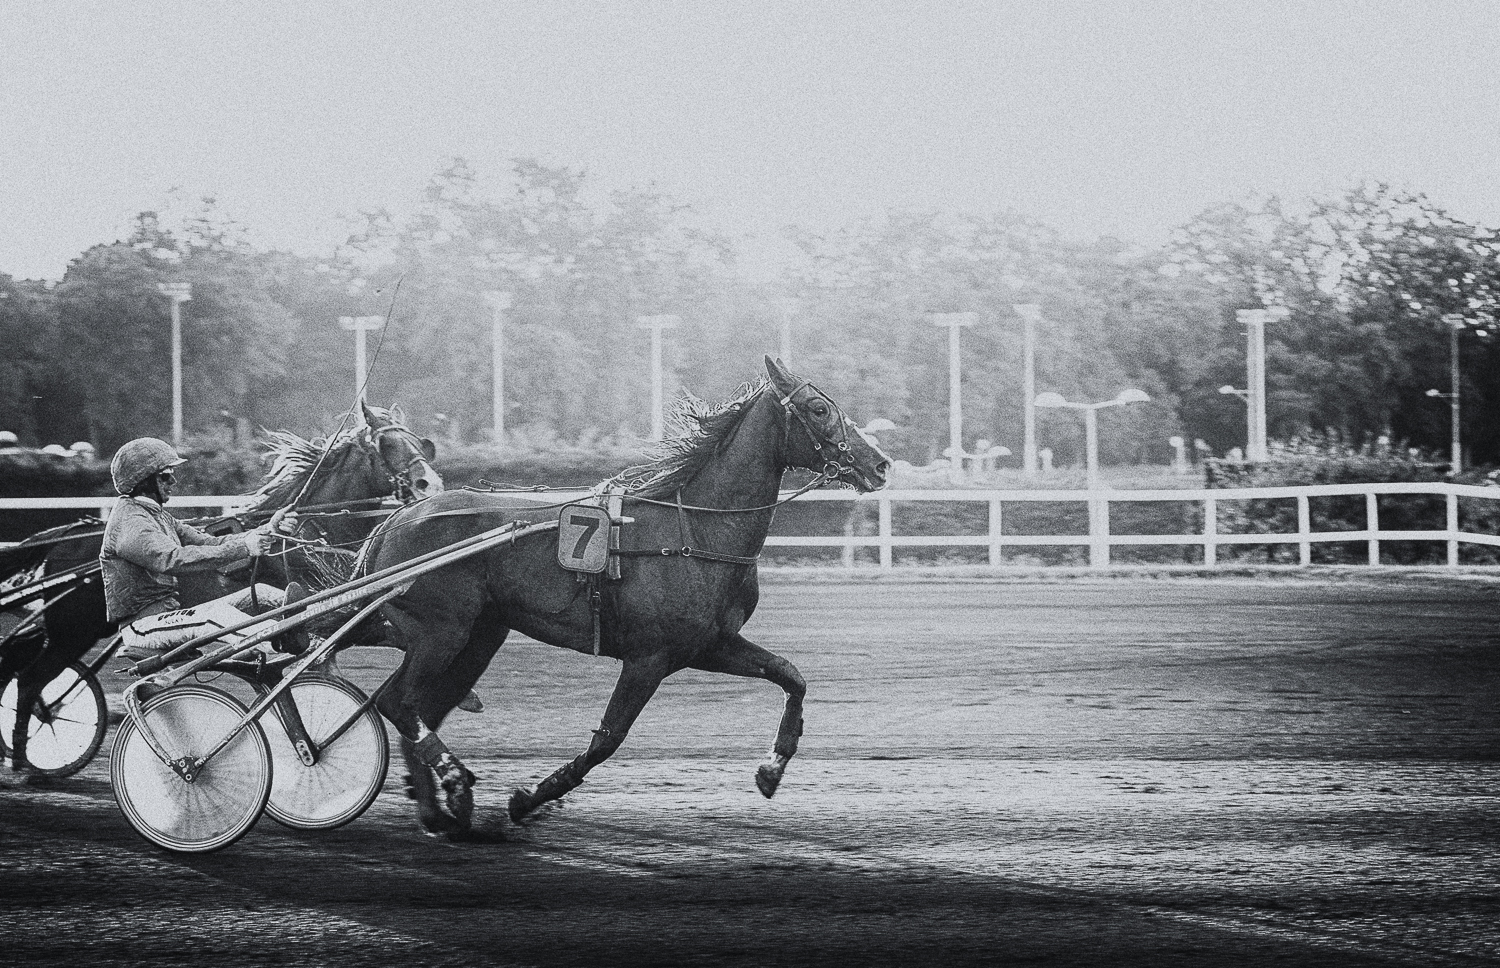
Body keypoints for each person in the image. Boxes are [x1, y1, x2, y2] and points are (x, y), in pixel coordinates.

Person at [101, 437, 305, 662]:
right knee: (213, 616)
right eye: (166, 475)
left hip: (169, 616)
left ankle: (316, 627)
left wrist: (267, 530)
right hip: (143, 627)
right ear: (144, 481)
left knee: (262, 592)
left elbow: (211, 543)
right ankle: (280, 641)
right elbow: (172, 559)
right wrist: (246, 547)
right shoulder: (130, 521)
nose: (173, 481)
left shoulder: (158, 515)